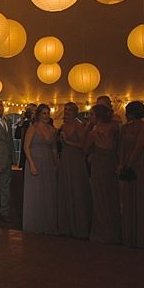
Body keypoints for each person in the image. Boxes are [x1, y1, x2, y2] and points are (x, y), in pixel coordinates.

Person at [85, 104, 120, 243]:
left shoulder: (93, 133)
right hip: (111, 164)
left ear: (98, 116)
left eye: (91, 114)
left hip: (99, 165)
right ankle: (113, 230)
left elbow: (84, 148)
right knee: (111, 196)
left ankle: (102, 232)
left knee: (99, 197)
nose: (89, 117)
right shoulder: (114, 128)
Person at [22, 104, 59, 234]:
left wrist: (56, 163)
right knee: (35, 192)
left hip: (47, 162)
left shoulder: (53, 130)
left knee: (48, 191)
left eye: (48, 113)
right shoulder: (33, 128)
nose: (46, 116)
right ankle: (34, 223)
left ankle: (47, 223)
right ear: (38, 115)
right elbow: (26, 147)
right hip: (35, 161)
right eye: (44, 113)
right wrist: (32, 164)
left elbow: (54, 149)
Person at [118, 101, 144, 248]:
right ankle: (128, 233)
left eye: (128, 111)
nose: (126, 114)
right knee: (127, 197)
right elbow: (121, 147)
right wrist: (121, 163)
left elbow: (139, 146)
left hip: (138, 164)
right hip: (126, 162)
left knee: (139, 195)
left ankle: (141, 235)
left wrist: (129, 163)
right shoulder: (125, 128)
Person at [57, 102, 91, 239]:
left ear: (75, 112)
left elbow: (84, 145)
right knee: (65, 188)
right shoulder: (63, 125)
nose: (66, 112)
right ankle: (66, 225)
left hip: (76, 159)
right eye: (65, 109)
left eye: (69, 110)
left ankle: (79, 226)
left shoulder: (79, 125)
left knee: (76, 189)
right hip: (65, 158)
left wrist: (67, 141)